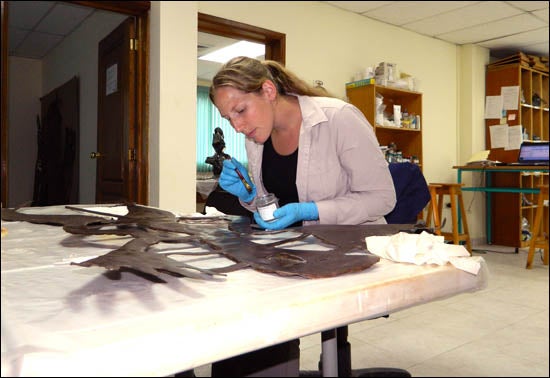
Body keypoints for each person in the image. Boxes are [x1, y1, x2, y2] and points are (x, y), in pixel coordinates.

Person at [209, 56, 397, 377]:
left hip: (344, 248)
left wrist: (311, 210)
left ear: (268, 91)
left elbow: (382, 199)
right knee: (240, 319)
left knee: (268, 322)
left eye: (240, 111)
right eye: (229, 118)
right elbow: (271, 205)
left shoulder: (338, 119)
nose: (237, 125)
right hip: (290, 250)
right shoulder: (256, 136)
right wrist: (248, 195)